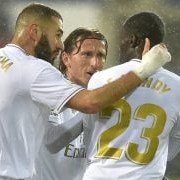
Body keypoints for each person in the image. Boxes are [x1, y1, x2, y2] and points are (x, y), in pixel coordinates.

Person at [0, 3, 171, 180]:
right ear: (34, 32)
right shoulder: (33, 68)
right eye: (57, 34)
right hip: (0, 175)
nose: (60, 44)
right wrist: (145, 69)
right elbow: (91, 102)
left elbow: (52, 139)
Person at [83, 12, 180, 180]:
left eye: (121, 40)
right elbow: (176, 142)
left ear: (132, 40)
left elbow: (88, 135)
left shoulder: (100, 79)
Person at [33, 27, 108, 180]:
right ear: (66, 59)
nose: (95, 63)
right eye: (86, 54)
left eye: (100, 55)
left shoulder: (106, 105)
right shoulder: (46, 92)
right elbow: (52, 142)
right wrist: (93, 106)